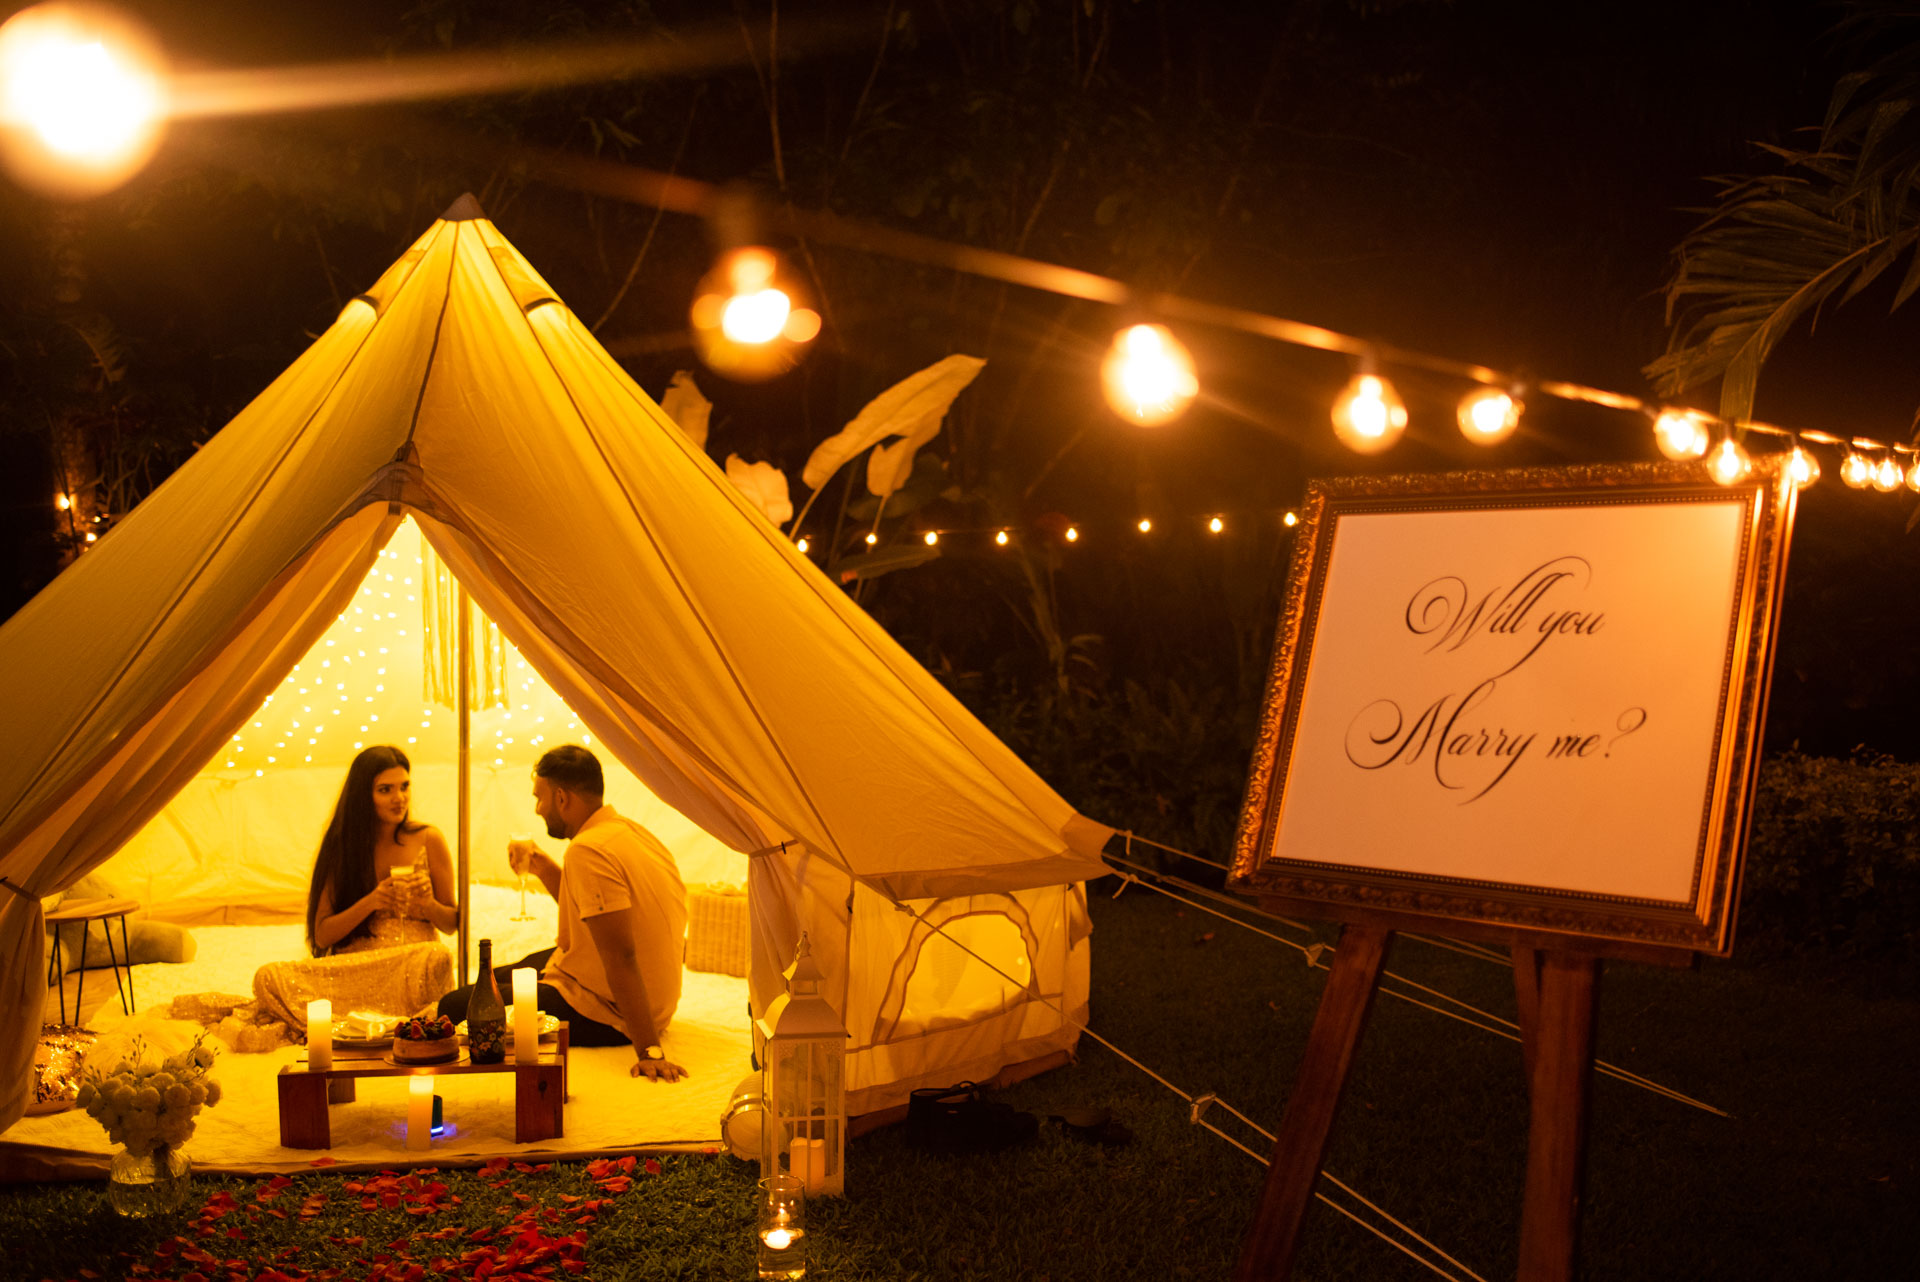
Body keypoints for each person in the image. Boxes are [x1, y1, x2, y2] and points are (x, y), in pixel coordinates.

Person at [439, 745, 690, 1082]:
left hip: (611, 1011)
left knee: (456, 1007)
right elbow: (588, 911)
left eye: (539, 798)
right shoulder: (629, 831)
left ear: (561, 798)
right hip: (648, 995)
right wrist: (542, 866)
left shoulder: (587, 851)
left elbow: (620, 954)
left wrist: (649, 1050)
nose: (537, 809)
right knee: (491, 981)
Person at [305, 745, 459, 956]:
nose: (399, 798)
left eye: (404, 787)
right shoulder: (344, 845)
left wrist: (428, 904)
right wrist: (371, 902)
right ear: (362, 796)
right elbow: (322, 935)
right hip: (360, 963)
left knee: (437, 958)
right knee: (268, 977)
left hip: (417, 960)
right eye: (385, 789)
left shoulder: (428, 839)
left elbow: (451, 925)